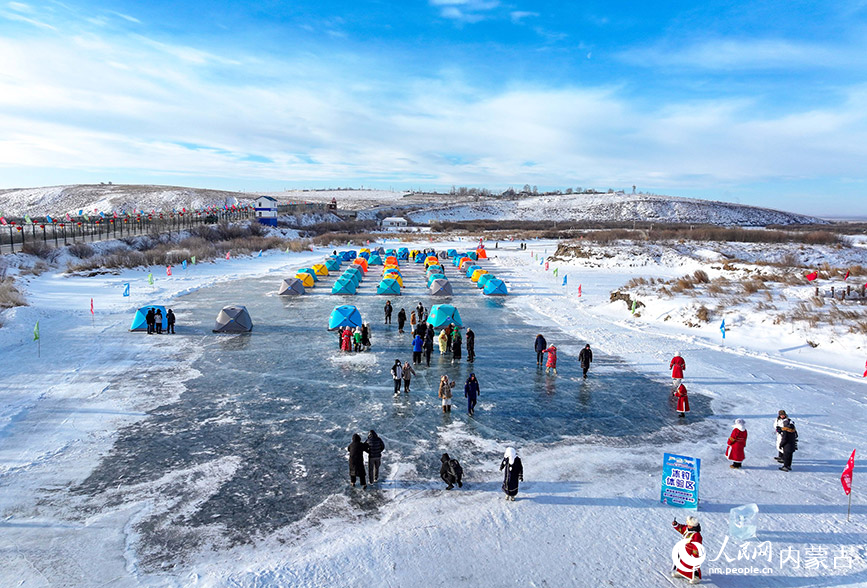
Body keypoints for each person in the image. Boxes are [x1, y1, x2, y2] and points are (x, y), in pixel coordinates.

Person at [671, 516, 703, 584]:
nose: (687, 526)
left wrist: (695, 555)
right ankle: (681, 572)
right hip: (684, 550)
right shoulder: (687, 529)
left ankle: (696, 577)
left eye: (689, 525)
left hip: (691, 553)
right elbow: (681, 528)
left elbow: (697, 546)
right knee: (682, 562)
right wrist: (676, 524)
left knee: (693, 565)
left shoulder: (696, 535)